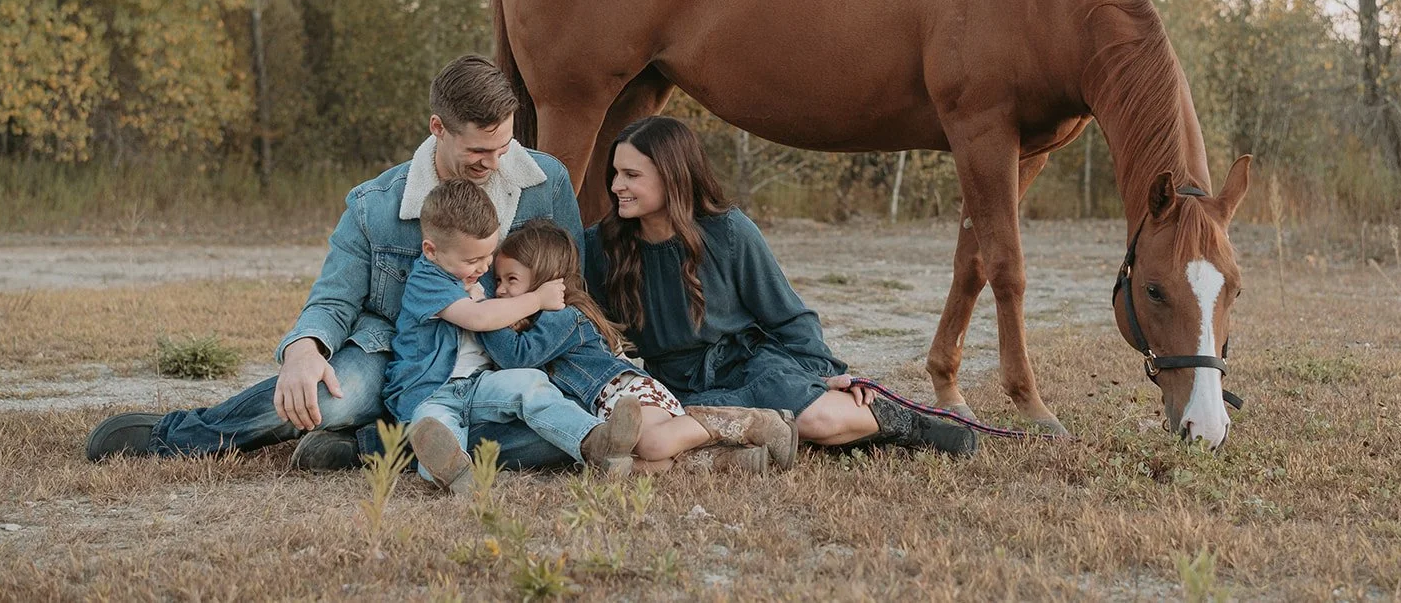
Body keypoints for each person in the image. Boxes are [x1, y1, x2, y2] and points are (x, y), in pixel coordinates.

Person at [84, 54, 587, 472]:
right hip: (400, 358)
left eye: (504, 147)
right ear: (438, 128)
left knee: (562, 422)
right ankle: (178, 434)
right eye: (479, 150)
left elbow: (574, 284)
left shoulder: (547, 182)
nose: (494, 163)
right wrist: (304, 350)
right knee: (327, 401)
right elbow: (334, 297)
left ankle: (368, 448)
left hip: (512, 351)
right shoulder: (376, 205)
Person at [584, 116, 978, 457]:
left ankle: (904, 423)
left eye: (632, 175)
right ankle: (779, 430)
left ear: (672, 176)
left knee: (820, 420)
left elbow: (790, 317)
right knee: (653, 440)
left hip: (750, 368)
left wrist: (820, 374)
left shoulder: (728, 233)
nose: (617, 185)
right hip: (677, 389)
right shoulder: (601, 247)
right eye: (615, 173)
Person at [484, 219, 796, 474]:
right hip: (605, 411)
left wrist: (482, 316)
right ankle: (737, 461)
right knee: (639, 465)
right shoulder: (537, 320)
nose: (500, 290)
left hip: (625, 394)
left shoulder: (563, 316)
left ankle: (755, 422)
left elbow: (516, 356)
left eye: (511, 279)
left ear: (548, 278)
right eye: (497, 281)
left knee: (653, 446)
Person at [390, 181, 641, 491]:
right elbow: (479, 318)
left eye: (487, 257)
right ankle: (454, 473)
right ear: (431, 250)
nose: (483, 268)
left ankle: (595, 441)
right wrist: (537, 299)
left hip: (478, 385)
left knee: (529, 383)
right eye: (472, 261)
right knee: (432, 428)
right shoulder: (427, 279)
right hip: (431, 393)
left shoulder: (473, 274)